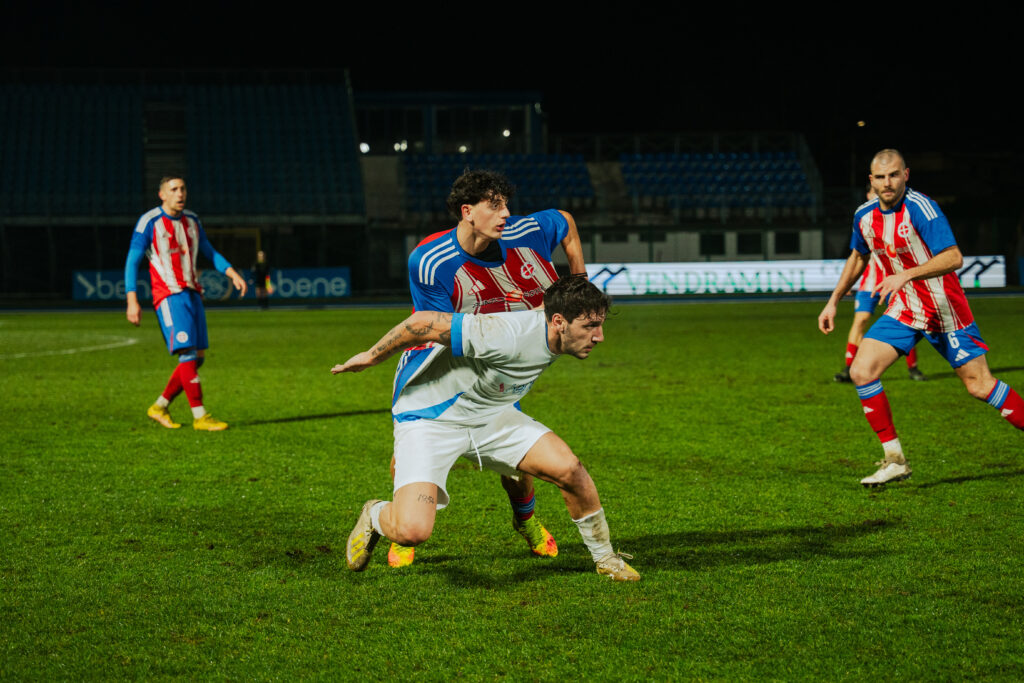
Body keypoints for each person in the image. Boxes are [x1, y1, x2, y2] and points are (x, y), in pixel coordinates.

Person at [333, 276, 639, 581]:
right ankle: (375, 514)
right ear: (559, 321)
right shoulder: (505, 333)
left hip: (491, 415)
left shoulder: (553, 326)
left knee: (570, 470)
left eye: (599, 325)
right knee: (412, 531)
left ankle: (606, 559)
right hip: (432, 419)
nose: (599, 337)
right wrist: (371, 357)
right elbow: (424, 321)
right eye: (589, 327)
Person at [386, 169, 586, 569]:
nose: (506, 214)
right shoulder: (430, 261)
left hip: (500, 370)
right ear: (467, 212)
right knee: (412, 449)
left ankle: (525, 520)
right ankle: (400, 528)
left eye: (506, 204)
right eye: (495, 206)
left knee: (517, 458)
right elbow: (438, 330)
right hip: (440, 371)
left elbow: (565, 221)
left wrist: (580, 286)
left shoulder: (525, 233)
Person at [818, 149, 1024, 486]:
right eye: (881, 177)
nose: (888, 183)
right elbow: (858, 255)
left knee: (979, 385)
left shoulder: (922, 209)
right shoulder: (864, 215)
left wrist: (907, 275)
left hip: (945, 309)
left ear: (906, 175)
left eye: (894, 175)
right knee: (861, 370)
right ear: (871, 180)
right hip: (904, 309)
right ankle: (895, 459)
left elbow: (954, 258)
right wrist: (833, 300)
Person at [125, 176, 247, 431]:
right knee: (188, 354)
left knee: (196, 358)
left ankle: (159, 406)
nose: (180, 193)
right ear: (162, 195)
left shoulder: (192, 220)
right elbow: (132, 260)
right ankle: (200, 416)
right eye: (174, 189)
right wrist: (132, 299)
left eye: (182, 188)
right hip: (168, 296)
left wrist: (231, 271)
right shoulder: (149, 222)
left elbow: (209, 251)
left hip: (192, 293)